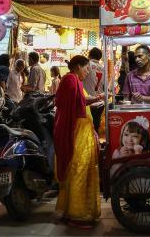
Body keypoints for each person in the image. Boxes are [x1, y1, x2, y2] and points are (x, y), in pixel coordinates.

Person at [54, 55, 101, 228]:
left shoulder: (75, 81)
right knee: (78, 170)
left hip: (83, 131)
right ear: (78, 67)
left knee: (81, 170)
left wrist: (97, 98)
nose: (88, 71)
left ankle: (71, 211)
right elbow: (74, 105)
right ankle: (77, 215)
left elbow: (80, 103)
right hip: (76, 132)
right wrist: (96, 98)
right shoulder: (70, 80)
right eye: (86, 68)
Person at [83, 47, 104, 132]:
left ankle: (91, 145)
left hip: (88, 101)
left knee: (88, 129)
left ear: (90, 55)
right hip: (100, 101)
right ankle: (96, 143)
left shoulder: (87, 65)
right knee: (96, 126)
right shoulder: (103, 68)